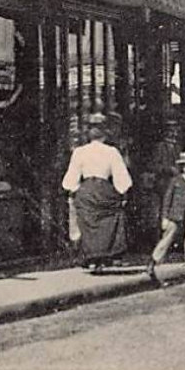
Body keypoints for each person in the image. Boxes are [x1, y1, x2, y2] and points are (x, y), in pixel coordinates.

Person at [61, 112, 134, 274]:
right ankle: (106, 255)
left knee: (88, 221)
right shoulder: (111, 152)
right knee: (111, 217)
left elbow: (71, 179)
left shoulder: (79, 152)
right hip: (104, 190)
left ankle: (91, 258)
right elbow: (122, 179)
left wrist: (75, 190)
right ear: (105, 134)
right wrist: (122, 193)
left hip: (86, 190)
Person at [148, 150, 185, 284]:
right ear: (182, 168)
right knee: (168, 237)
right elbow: (167, 199)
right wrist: (164, 217)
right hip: (176, 213)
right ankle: (153, 262)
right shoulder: (176, 181)